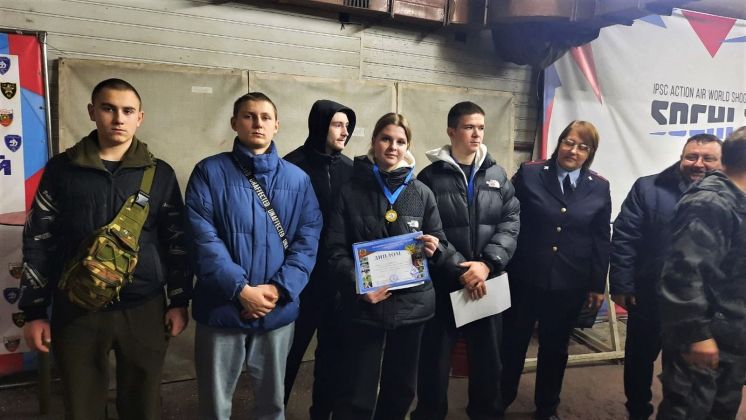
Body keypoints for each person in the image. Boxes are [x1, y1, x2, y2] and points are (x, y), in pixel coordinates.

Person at [19, 78, 192, 420]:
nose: (118, 118)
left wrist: (178, 301)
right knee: (81, 408)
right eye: (108, 108)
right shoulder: (62, 170)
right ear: (92, 111)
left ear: (139, 117)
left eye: (127, 111)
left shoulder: (159, 174)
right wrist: (34, 311)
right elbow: (39, 240)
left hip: (144, 308)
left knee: (144, 407)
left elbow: (176, 242)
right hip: (76, 309)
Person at [185, 92, 322, 420]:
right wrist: (241, 290)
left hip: (276, 310)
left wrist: (278, 289)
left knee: (273, 404)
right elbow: (201, 238)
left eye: (265, 117)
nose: (257, 123)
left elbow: (308, 240)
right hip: (221, 308)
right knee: (215, 406)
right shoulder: (208, 172)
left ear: (276, 125)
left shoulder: (298, 180)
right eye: (248, 116)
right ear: (235, 123)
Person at [326, 112, 464, 420]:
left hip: (412, 307)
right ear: (374, 142)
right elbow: (334, 250)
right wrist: (359, 286)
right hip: (365, 305)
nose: (393, 147)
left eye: (400, 141)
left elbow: (440, 241)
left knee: (401, 389)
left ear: (407, 147)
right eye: (386, 139)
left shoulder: (421, 192)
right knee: (356, 390)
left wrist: (436, 249)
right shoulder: (350, 191)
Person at [411, 101, 520, 420]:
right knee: (434, 365)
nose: (477, 134)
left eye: (481, 128)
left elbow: (511, 221)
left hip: (486, 284)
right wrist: (459, 269)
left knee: (488, 365)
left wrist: (487, 264)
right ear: (451, 131)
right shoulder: (429, 177)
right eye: (469, 127)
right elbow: (425, 231)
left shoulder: (497, 174)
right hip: (445, 285)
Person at [501, 120, 611, 420]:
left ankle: (547, 407)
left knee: (555, 348)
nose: (573, 151)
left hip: (569, 283)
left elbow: (601, 238)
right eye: (569, 142)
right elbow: (508, 218)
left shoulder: (599, 186)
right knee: (512, 343)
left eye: (582, 147)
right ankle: (499, 400)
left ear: (590, 153)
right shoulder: (530, 173)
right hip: (524, 278)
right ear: (559, 143)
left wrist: (596, 284)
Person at [609, 133, 722, 420]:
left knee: (690, 368)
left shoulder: (730, 196)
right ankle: (637, 410)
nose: (699, 163)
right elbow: (625, 238)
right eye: (692, 156)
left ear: (721, 162)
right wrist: (622, 284)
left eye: (708, 158)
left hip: (702, 306)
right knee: (639, 360)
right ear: (681, 157)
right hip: (650, 296)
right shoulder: (648, 188)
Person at [656, 126, 746, 420]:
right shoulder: (710, 203)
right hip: (704, 340)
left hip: (730, 339)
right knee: (688, 411)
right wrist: (698, 336)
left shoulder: (737, 199)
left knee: (720, 411)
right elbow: (682, 275)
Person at [283, 99, 357, 418]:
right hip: (299, 286)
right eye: (337, 124)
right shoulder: (291, 167)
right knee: (286, 360)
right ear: (320, 125)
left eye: (347, 126)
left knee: (333, 362)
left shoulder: (352, 170)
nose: (345, 131)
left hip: (337, 285)